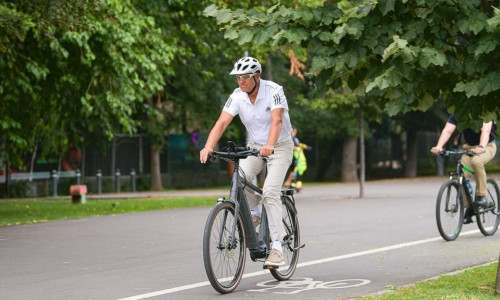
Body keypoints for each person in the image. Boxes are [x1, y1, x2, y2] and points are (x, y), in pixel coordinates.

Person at [200, 56, 294, 267]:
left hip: (279, 146)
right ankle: (254, 212)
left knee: (269, 191)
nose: (241, 81)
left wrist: (269, 145)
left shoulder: (274, 91)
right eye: (238, 78)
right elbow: (222, 122)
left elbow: (277, 121)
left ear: (257, 76)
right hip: (255, 145)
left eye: (245, 77)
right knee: (240, 177)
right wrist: (208, 146)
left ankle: (277, 248)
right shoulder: (237, 96)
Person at [431, 114, 497, 224]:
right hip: (469, 148)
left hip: (487, 146)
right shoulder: (460, 111)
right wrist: (439, 146)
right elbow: (448, 130)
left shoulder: (485, 110)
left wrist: (481, 147)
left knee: (477, 161)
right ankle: (469, 208)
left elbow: (485, 131)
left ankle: (481, 196)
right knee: (459, 175)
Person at [284, 127, 308, 191]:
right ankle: (289, 182)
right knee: (293, 169)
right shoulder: (289, 138)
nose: (295, 133)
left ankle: (292, 183)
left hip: (297, 157)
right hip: (292, 156)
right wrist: (297, 148)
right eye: (294, 131)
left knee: (296, 170)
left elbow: (298, 145)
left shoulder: (295, 138)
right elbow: (291, 147)